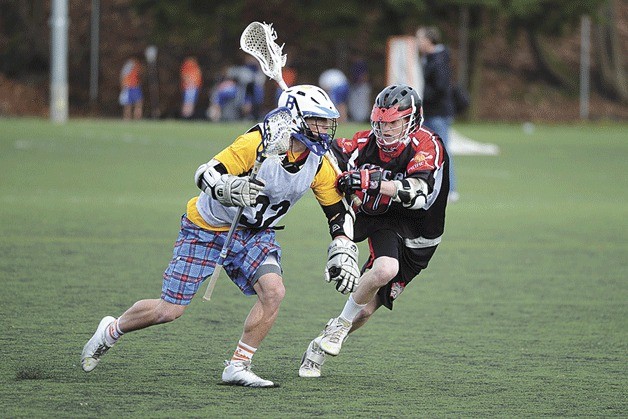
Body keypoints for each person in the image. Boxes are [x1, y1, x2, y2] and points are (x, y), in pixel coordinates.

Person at [81, 85, 360, 388]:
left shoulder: (318, 160)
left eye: (325, 121)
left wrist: (342, 244)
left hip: (255, 233)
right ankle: (112, 330)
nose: (323, 129)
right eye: (316, 120)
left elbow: (337, 210)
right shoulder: (258, 142)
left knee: (273, 291)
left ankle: (238, 365)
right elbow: (206, 172)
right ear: (295, 119)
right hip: (207, 227)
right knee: (169, 310)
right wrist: (227, 188)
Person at [298, 84, 450, 378]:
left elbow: (419, 194)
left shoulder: (428, 145)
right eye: (381, 123)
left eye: (394, 122)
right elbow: (331, 151)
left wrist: (372, 182)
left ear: (411, 120)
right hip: (385, 220)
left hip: (422, 235)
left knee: (365, 311)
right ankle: (339, 327)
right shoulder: (367, 142)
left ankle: (318, 346)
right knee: (384, 269)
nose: (386, 130)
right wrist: (306, 132)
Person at [416, 26, 458, 202]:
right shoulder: (428, 59)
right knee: (424, 149)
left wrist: (424, 98)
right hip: (430, 112)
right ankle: (426, 184)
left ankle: (450, 189)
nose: (417, 42)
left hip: (438, 113)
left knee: (442, 150)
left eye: (419, 38)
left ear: (428, 40)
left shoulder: (438, 60)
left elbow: (441, 87)